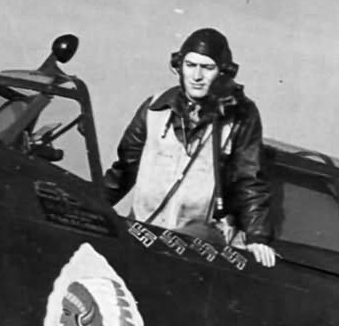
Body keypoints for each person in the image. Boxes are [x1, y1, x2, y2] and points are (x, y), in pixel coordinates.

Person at [103, 28, 277, 268]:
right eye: (190, 65)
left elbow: (250, 178)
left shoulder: (241, 116)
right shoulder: (154, 108)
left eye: (207, 68)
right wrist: (90, 207)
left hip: (198, 247)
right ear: (179, 66)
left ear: (223, 72)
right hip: (142, 232)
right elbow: (123, 169)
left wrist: (258, 236)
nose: (197, 76)